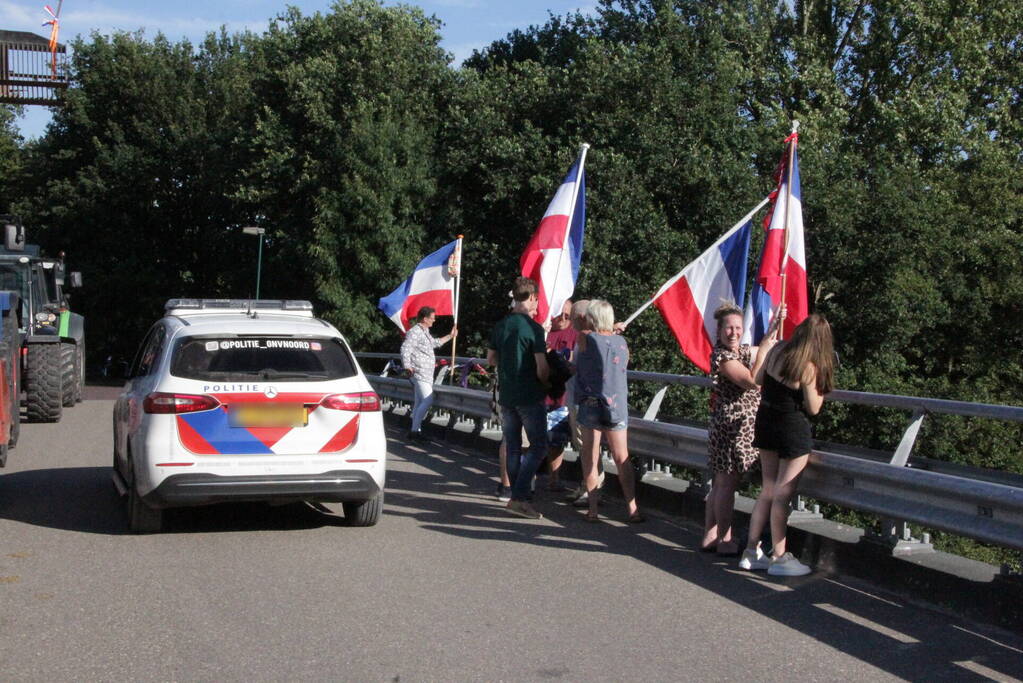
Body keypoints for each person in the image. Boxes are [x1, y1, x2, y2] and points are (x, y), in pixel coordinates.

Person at [740, 314, 835, 576]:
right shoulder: (809, 366)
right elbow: (814, 408)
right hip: (792, 428)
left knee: (768, 488)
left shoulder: (779, 350)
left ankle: (751, 550)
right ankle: (780, 556)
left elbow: (757, 380)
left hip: (766, 422)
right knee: (783, 494)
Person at [701, 303, 780, 556]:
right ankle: (725, 539)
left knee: (720, 483)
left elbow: (767, 348)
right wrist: (765, 349)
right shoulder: (723, 356)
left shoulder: (739, 352)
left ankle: (710, 535)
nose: (733, 333)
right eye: (729, 328)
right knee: (725, 484)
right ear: (719, 330)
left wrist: (774, 327)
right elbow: (751, 381)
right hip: (731, 429)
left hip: (734, 427)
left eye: (737, 328)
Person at [487, 277, 550, 519]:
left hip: (507, 395)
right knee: (539, 446)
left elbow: (491, 359)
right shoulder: (533, 329)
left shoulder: (501, 325)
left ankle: (515, 496)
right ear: (532, 297)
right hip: (529, 395)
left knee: (512, 447)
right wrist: (546, 384)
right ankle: (520, 497)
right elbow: (542, 368)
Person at [574, 299, 642, 523]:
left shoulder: (585, 338)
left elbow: (585, 343)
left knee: (590, 457)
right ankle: (632, 508)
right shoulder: (622, 342)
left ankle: (593, 509)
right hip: (617, 405)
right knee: (622, 457)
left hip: (591, 403)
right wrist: (613, 330)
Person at [400, 306, 457, 440]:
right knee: (427, 400)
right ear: (425, 319)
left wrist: (450, 335)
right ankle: (414, 432)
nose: (434, 320)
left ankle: (416, 431)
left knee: (420, 402)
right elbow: (405, 349)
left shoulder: (424, 331)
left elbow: (435, 343)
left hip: (425, 373)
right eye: (432, 318)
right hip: (419, 372)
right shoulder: (415, 332)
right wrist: (407, 366)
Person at [544, 299, 577, 492]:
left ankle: (554, 479)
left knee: (557, 441)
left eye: (568, 315)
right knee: (534, 440)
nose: (564, 318)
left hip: (562, 397)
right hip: (539, 394)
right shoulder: (544, 331)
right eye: (560, 314)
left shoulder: (575, 333)